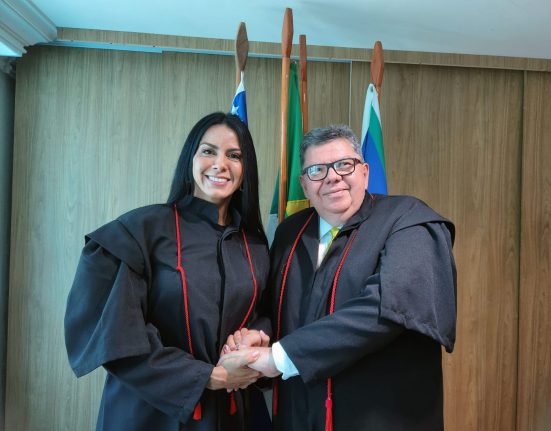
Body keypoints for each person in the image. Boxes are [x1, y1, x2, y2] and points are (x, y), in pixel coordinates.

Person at [220, 124, 457, 430]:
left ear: (365, 172)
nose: (332, 177)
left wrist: (277, 357)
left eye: (345, 165)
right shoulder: (291, 233)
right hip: (300, 414)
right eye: (317, 170)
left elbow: (388, 307)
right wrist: (258, 335)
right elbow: (274, 307)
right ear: (305, 185)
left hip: (380, 417)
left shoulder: (408, 220)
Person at [64, 112, 271, 431]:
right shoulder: (141, 231)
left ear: (247, 170)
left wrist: (253, 338)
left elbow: (263, 313)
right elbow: (119, 335)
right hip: (149, 413)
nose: (220, 164)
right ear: (190, 159)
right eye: (208, 151)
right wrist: (208, 377)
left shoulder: (254, 245)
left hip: (229, 414)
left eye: (234, 155)